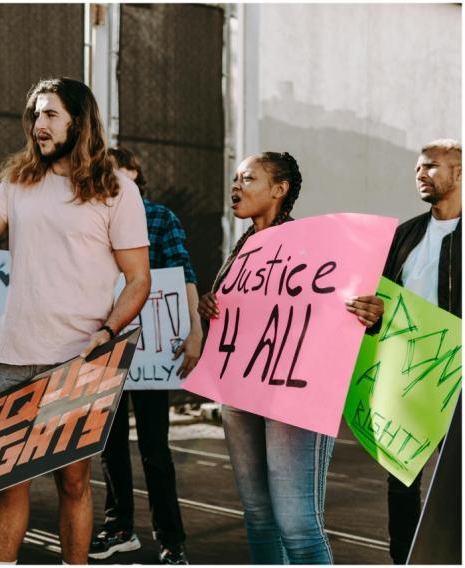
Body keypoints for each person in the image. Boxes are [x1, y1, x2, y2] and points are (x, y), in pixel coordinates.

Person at [0, 77, 151, 564]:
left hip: (79, 361)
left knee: (74, 482)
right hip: (13, 358)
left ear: (78, 121)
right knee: (7, 483)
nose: (38, 125)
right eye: (35, 114)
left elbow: (138, 280)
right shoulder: (19, 181)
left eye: (50, 115)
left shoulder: (117, 190)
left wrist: (105, 335)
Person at [197, 152, 384, 564]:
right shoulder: (243, 248)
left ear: (279, 190)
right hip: (240, 394)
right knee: (259, 517)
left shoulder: (312, 246)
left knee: (298, 526)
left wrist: (371, 313)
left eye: (247, 178)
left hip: (293, 399)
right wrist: (209, 305)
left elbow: (344, 309)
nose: (235, 187)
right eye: (234, 178)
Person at [88, 147, 201, 564]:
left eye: (120, 170)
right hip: (107, 344)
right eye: (106, 172)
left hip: (156, 348)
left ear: (135, 173)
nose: (113, 178)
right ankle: (118, 528)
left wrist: (194, 331)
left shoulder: (160, 218)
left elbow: (183, 272)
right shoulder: (93, 217)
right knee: (109, 444)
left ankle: (171, 541)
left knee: (156, 448)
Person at [380, 139, 461, 564]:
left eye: (431, 166)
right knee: (400, 481)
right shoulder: (404, 234)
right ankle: (404, 560)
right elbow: (383, 300)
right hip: (406, 372)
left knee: (457, 482)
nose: (420, 174)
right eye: (417, 168)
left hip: (457, 376)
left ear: (460, 172)